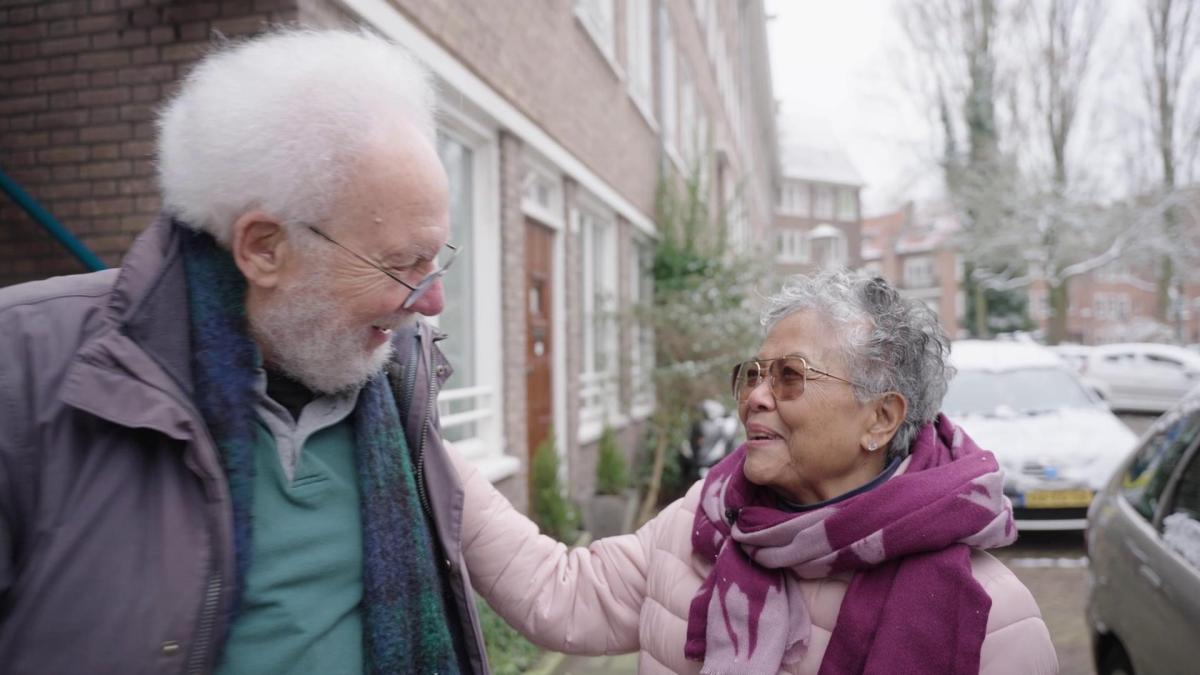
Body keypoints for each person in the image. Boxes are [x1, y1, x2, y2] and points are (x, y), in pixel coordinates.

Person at [0, 30, 488, 674]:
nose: (431, 305)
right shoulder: (22, 367)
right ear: (263, 248)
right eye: (402, 264)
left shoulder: (398, 379)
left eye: (436, 257)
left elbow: (549, 584)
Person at [455, 270, 1058, 674]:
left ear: (879, 417)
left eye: (790, 376)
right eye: (753, 373)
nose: (755, 398)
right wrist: (434, 457)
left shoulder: (995, 619)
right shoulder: (706, 519)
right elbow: (565, 595)